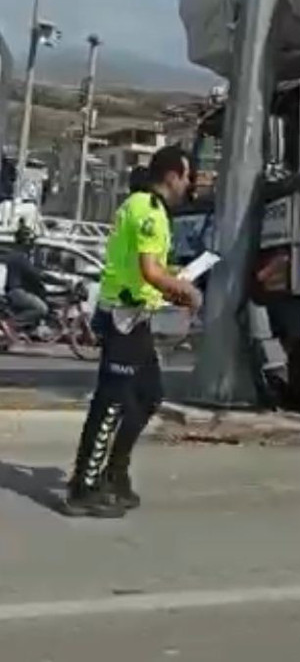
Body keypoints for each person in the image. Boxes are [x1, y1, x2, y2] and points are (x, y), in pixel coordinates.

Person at [66, 145, 202, 518]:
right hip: (124, 318)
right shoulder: (148, 211)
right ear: (172, 176)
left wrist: (174, 279)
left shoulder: (145, 208)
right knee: (110, 402)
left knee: (149, 395)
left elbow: (153, 268)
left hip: (136, 318)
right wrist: (186, 290)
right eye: (187, 176)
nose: (189, 184)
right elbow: (149, 271)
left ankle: (115, 470)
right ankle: (84, 485)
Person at [5, 220, 67, 331]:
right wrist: (61, 282)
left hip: (16, 290)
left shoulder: (17, 255)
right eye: (31, 242)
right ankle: (11, 324)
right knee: (42, 308)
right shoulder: (20, 257)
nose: (32, 245)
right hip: (17, 292)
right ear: (25, 242)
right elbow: (36, 274)